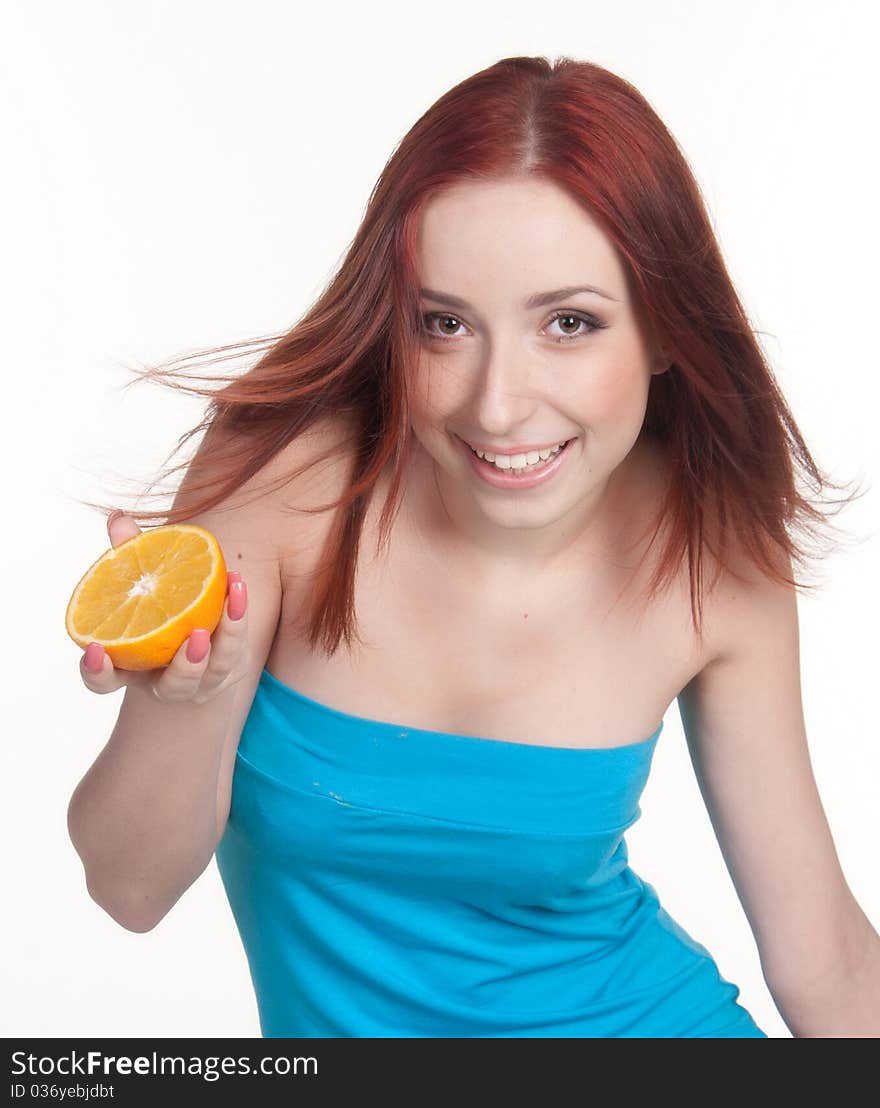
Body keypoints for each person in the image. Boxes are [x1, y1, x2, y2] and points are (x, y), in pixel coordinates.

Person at [67, 55, 880, 1038]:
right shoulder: (281, 482)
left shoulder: (710, 556)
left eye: (568, 324)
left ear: (666, 332)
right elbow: (127, 887)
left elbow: (824, 957)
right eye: (444, 324)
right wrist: (181, 704)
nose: (497, 405)